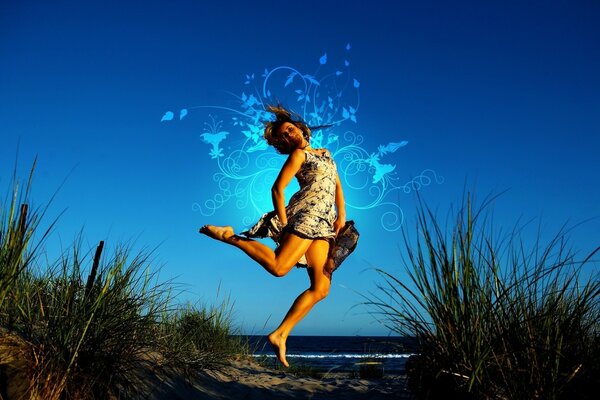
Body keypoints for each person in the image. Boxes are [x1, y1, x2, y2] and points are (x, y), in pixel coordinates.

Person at [200, 105, 358, 367]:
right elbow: (277, 189)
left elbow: (338, 186)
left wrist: (342, 216)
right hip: (306, 216)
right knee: (279, 267)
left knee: (321, 288)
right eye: (283, 137)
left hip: (325, 225)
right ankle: (229, 236)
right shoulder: (298, 156)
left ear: (301, 129)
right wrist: (284, 225)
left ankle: (280, 334)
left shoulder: (327, 155)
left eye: (289, 131)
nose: (288, 137)